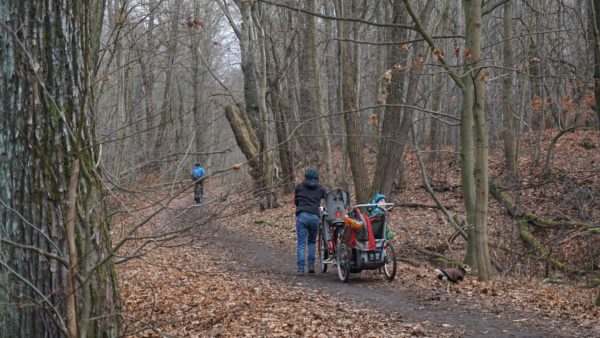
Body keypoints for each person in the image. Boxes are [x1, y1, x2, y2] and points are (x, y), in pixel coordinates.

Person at [294, 168, 326, 275]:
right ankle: (311, 266)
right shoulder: (320, 188)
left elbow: (296, 201)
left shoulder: (300, 186)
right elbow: (327, 197)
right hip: (315, 217)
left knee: (301, 244)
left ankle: (300, 269)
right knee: (312, 242)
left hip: (302, 215)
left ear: (306, 176)